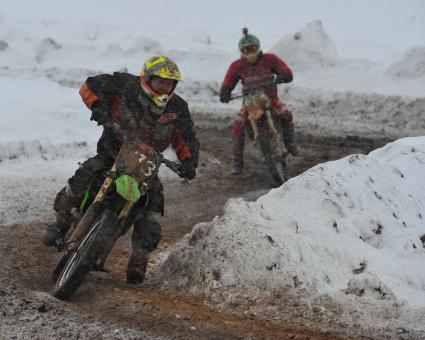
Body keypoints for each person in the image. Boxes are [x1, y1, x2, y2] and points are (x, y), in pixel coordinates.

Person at [41, 56, 200, 284]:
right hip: (112, 152)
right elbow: (90, 86)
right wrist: (99, 108)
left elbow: (187, 138)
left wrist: (188, 162)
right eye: (161, 81)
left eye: (169, 83)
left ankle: (139, 258)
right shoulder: (124, 85)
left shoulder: (177, 108)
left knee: (152, 204)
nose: (165, 87)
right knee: (86, 173)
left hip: (146, 165)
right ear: (148, 78)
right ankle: (60, 221)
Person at [219, 28, 296, 175]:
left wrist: (281, 77)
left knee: (286, 115)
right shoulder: (236, 66)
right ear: (241, 51)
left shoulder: (270, 59)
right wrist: (225, 92)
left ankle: (291, 144)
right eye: (246, 50)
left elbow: (287, 73)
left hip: (271, 99)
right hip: (250, 102)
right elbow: (228, 82)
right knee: (237, 126)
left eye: (252, 49)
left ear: (258, 48)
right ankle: (238, 165)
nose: (250, 54)